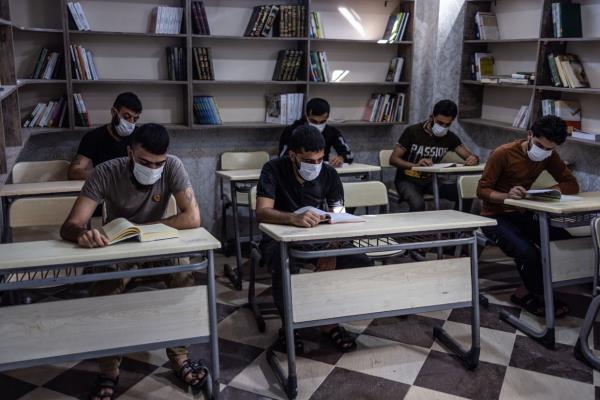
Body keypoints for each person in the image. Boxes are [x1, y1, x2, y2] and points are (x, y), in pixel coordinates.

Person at [60, 123, 204, 400]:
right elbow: (70, 225)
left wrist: (146, 228)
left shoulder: (173, 166)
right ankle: (109, 370)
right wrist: (83, 234)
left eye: (157, 163)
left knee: (184, 270)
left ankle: (179, 357)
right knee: (106, 281)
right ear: (129, 153)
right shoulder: (106, 172)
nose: (151, 169)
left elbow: (192, 218)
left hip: (155, 244)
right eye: (143, 162)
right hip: (119, 248)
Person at [257, 125, 369, 354]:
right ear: (292, 155)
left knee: (358, 260)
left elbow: (339, 216)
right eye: (309, 160)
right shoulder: (273, 169)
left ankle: (328, 320)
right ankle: (289, 327)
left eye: (320, 159)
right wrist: (292, 218)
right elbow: (262, 211)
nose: (315, 165)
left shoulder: (328, 173)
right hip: (279, 238)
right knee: (283, 264)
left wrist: (331, 248)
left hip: (320, 238)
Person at [477, 115, 579, 317]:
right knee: (527, 252)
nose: (544, 152)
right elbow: (482, 191)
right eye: (540, 145)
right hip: (495, 216)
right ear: (530, 134)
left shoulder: (549, 156)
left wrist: (546, 192)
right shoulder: (503, 154)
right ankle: (529, 293)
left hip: (523, 213)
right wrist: (507, 196)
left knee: (563, 240)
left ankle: (542, 289)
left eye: (550, 149)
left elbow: (572, 184)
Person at [389, 99, 479, 212]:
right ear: (432, 117)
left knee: (465, 193)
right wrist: (415, 165)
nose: (443, 127)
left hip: (432, 180)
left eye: (448, 124)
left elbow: (469, 156)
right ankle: (418, 230)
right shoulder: (412, 132)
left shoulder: (450, 137)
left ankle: (456, 229)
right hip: (408, 180)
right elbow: (393, 159)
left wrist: (474, 159)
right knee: (418, 204)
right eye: (440, 123)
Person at [68, 92, 142, 180]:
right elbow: (74, 172)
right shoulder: (94, 137)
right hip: (105, 187)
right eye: (126, 117)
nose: (131, 123)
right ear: (114, 112)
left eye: (135, 119)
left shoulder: (140, 135)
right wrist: (103, 176)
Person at [278, 97, 354, 167]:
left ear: (327, 117)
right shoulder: (293, 131)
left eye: (322, 121)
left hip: (322, 171)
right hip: (297, 171)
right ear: (307, 116)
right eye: (313, 121)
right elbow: (282, 158)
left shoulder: (331, 131)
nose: (318, 125)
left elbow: (349, 154)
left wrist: (341, 158)